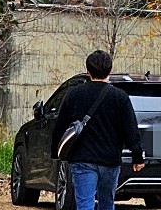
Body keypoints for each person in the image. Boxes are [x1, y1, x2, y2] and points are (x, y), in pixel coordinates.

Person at [52, 50, 145, 210]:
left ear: (88, 71)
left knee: (84, 204)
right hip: (110, 160)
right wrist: (137, 156)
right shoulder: (119, 97)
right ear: (110, 70)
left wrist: (56, 152)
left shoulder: (74, 94)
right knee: (107, 203)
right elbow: (130, 129)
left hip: (82, 159)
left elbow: (60, 126)